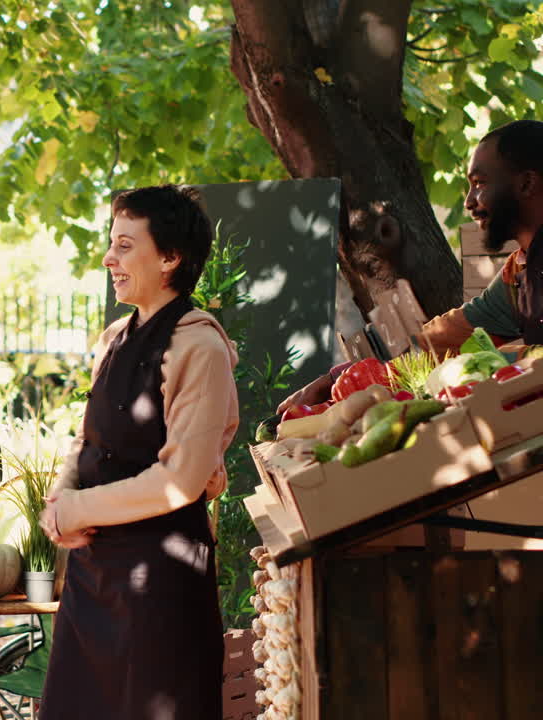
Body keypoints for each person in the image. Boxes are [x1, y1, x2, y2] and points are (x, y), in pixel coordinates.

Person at [38, 185, 240, 719]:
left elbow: (183, 478)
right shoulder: (111, 339)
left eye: (125, 246)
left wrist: (77, 509)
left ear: (171, 258)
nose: (109, 258)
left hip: (161, 584)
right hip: (93, 576)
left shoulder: (201, 346)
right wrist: (59, 500)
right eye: (112, 244)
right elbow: (87, 440)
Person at [281, 119, 543, 412]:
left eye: (479, 184)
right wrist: (342, 377)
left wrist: (503, 362)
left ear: (526, 184)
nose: (469, 202)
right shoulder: (518, 270)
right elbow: (447, 337)